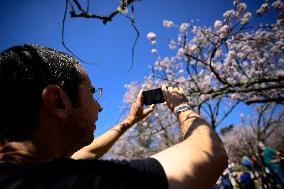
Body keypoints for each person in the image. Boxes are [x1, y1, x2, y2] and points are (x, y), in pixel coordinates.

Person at [0, 44, 228, 189]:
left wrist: (130, 121)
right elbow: (210, 153)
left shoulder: (22, 173)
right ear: (58, 102)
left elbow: (86, 153)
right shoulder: (67, 182)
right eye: (91, 93)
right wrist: (180, 104)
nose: (99, 107)